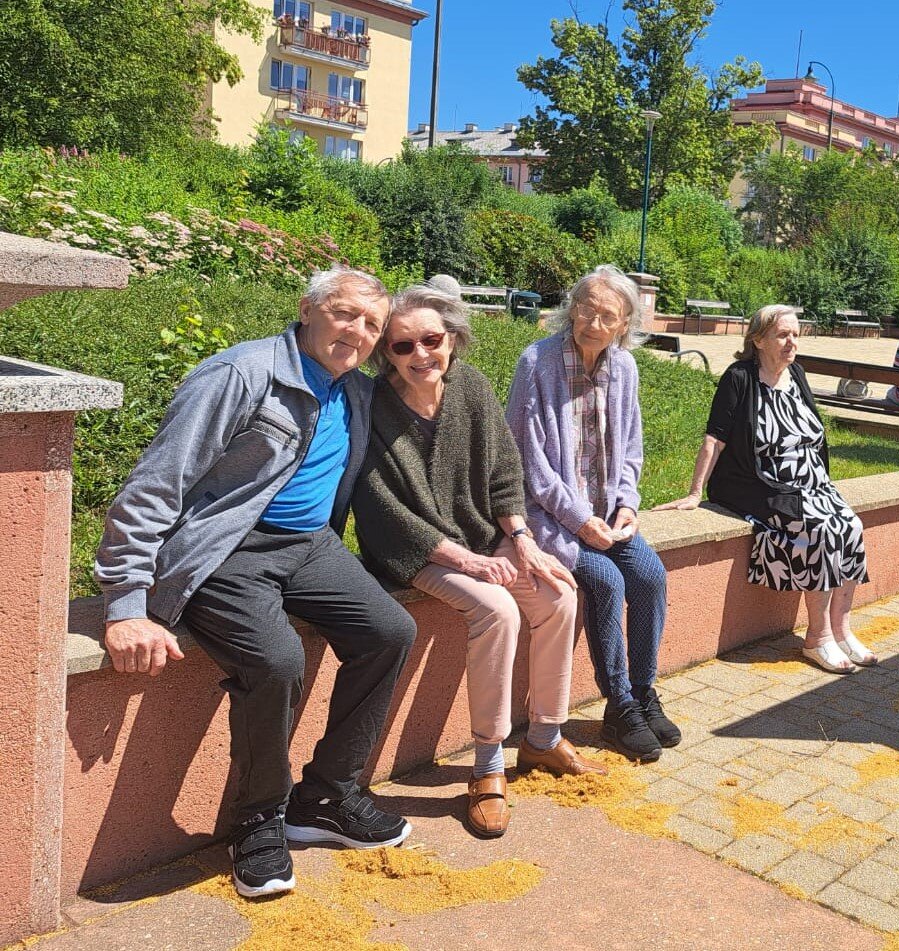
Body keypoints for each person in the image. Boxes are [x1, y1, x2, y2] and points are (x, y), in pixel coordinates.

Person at [94, 268, 416, 899]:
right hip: (227, 548)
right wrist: (125, 605)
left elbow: (434, 397)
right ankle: (258, 821)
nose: (358, 332)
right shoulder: (241, 375)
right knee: (277, 661)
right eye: (345, 313)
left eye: (372, 324)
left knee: (389, 631)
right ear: (308, 308)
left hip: (310, 546)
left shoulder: (352, 388)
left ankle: (326, 797)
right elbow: (156, 483)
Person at [353, 282, 605, 840]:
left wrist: (522, 539)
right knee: (498, 610)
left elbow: (504, 471)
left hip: (483, 540)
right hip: (414, 551)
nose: (421, 354)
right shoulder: (372, 405)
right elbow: (381, 509)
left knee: (559, 595)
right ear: (385, 353)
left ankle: (543, 738)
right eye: (403, 345)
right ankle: (488, 765)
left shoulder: (470, 385)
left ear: (452, 338)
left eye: (431, 340)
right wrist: (466, 560)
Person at [506, 265, 679, 763]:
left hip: (608, 518)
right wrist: (580, 521)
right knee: (606, 581)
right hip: (551, 517)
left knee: (650, 576)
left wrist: (627, 504)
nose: (593, 323)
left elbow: (631, 447)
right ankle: (618, 704)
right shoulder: (537, 362)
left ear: (625, 324)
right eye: (586, 308)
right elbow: (527, 460)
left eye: (608, 316)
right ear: (572, 307)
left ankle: (643, 691)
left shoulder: (624, 367)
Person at [656, 305, 874, 674]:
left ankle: (841, 630)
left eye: (795, 335)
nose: (792, 342)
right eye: (782, 335)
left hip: (811, 482)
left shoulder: (796, 374)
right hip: (762, 483)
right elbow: (714, 439)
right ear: (758, 340)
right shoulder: (740, 377)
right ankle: (817, 638)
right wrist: (695, 493)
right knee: (819, 530)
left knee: (851, 526)